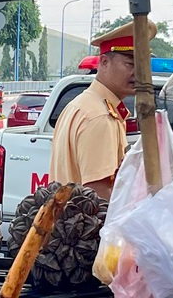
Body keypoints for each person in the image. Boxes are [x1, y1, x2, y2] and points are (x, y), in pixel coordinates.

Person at [48, 19, 134, 197]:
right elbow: (99, 194)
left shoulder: (81, 104)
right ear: (104, 62)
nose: (138, 73)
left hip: (66, 213)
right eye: (130, 64)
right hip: (84, 215)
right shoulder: (100, 116)